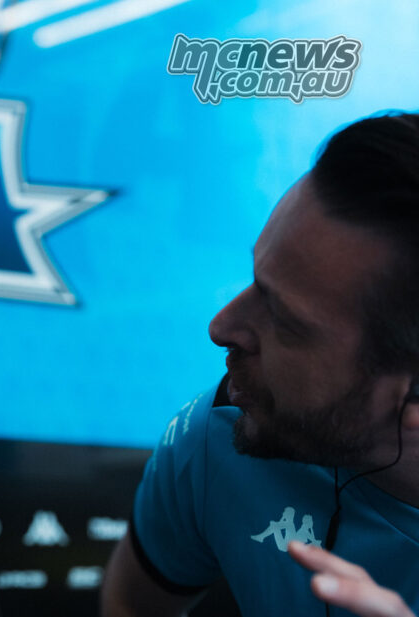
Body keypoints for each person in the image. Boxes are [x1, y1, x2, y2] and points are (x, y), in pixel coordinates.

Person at [100, 112, 419, 617]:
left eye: (286, 321)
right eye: (255, 279)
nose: (221, 327)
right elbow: (130, 606)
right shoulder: (220, 434)